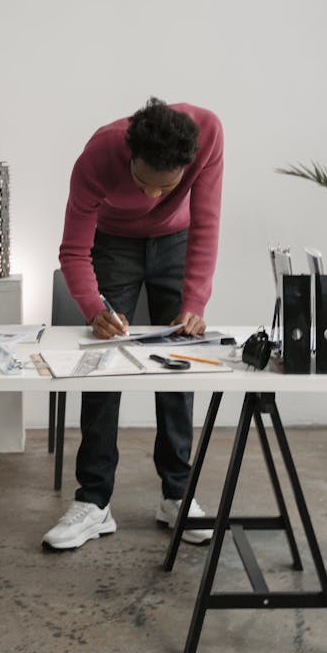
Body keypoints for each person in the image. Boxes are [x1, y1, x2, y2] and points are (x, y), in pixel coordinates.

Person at [42, 97, 223, 551]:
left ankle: (177, 495)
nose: (151, 198)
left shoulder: (209, 135)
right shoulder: (99, 155)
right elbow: (73, 252)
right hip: (115, 242)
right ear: (130, 157)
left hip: (177, 240)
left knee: (179, 360)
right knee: (103, 361)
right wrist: (92, 309)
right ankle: (94, 502)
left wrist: (196, 300)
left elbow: (206, 222)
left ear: (187, 163)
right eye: (143, 183)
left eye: (165, 188)